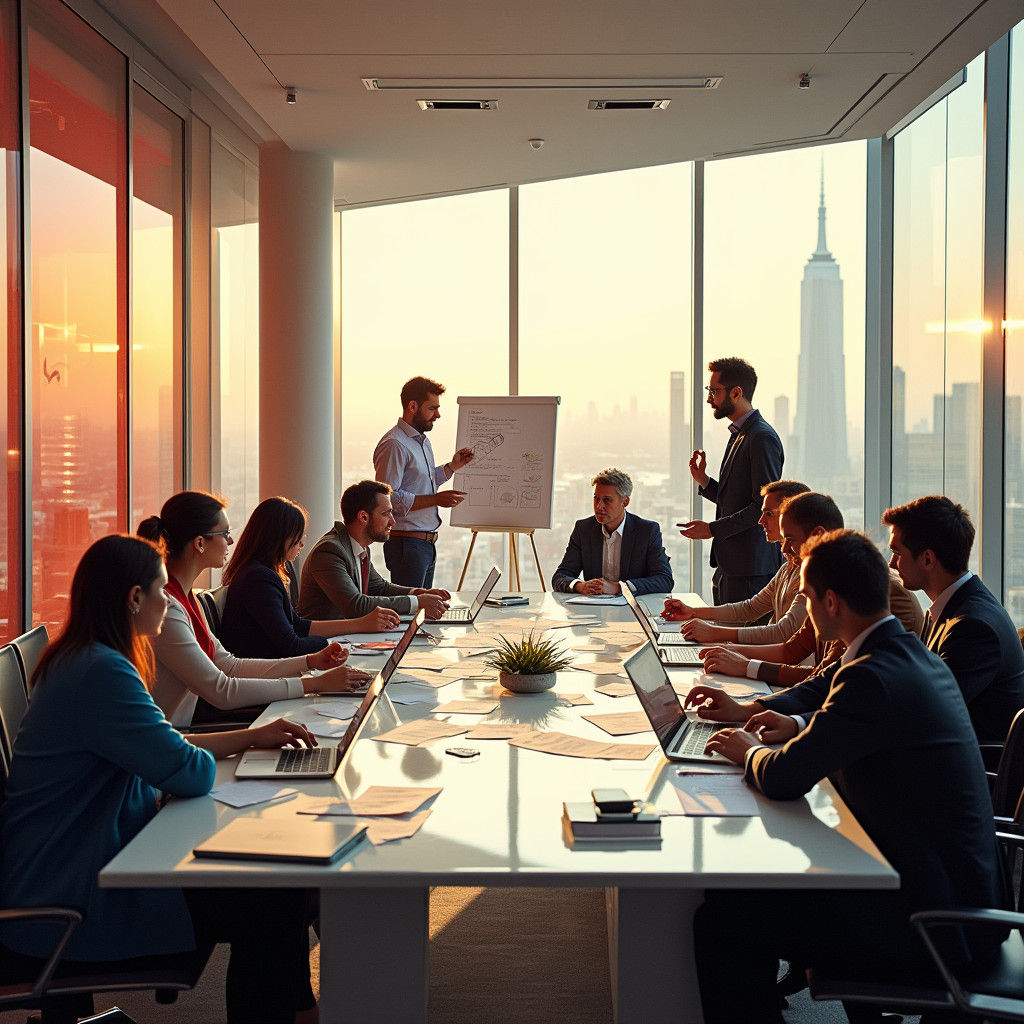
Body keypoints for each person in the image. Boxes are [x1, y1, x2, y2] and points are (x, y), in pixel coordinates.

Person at [686, 530, 1008, 1024]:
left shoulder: (872, 673)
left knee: (724, 920)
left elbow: (783, 777)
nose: (805, 609)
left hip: (928, 923)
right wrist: (789, 725)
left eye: (807, 599)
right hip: (954, 895)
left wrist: (748, 751)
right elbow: (841, 719)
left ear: (830, 602)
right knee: (744, 896)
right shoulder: (901, 651)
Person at [0, 534, 321, 1024]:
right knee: (275, 898)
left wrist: (249, 738)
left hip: (80, 864)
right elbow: (186, 772)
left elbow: (164, 742)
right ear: (134, 599)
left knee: (278, 889)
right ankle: (299, 1012)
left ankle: (301, 1011)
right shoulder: (101, 672)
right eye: (160, 591)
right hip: (79, 900)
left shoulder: (81, 657)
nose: (168, 600)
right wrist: (235, 745)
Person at [139, 491, 369, 728]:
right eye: (225, 534)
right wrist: (314, 684)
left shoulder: (188, 599)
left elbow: (230, 665)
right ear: (199, 543)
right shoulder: (167, 611)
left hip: (186, 730)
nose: (230, 541)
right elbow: (222, 690)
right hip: (179, 736)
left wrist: (311, 661)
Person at [696, 491, 923, 684]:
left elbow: (825, 678)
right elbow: (792, 649)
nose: (785, 548)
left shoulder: (869, 586)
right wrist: (726, 652)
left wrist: (744, 666)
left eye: (790, 540)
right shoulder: (824, 578)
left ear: (817, 535)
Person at [884, 495, 1024, 745]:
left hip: (972, 770)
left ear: (928, 559)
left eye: (897, 552)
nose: (891, 563)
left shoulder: (974, 626)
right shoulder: (949, 609)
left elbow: (927, 708)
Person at [220, 495, 401, 658]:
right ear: (278, 536)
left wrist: (360, 625)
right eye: (298, 535)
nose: (302, 543)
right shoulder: (258, 579)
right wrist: (343, 644)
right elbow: (291, 645)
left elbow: (298, 625)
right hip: (264, 679)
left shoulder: (263, 572)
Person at [679, 357, 784, 605]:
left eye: (714, 391)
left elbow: (762, 506)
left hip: (750, 569)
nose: (708, 399)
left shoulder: (760, 437)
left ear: (736, 393)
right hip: (733, 565)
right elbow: (737, 498)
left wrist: (712, 529)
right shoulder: (741, 434)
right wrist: (704, 481)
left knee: (736, 639)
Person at [662, 479, 809, 643]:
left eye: (769, 514)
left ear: (789, 517)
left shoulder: (810, 574)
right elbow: (750, 608)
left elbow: (783, 633)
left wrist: (715, 633)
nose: (760, 521)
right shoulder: (787, 568)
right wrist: (693, 611)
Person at [299, 480, 451, 621]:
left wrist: (418, 593)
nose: (393, 521)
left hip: (347, 638)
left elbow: (379, 587)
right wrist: (417, 602)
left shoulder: (358, 546)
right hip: (326, 644)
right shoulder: (329, 551)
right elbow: (355, 606)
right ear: (363, 517)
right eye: (386, 514)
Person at [373, 375, 474, 587]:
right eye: (432, 408)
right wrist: (436, 500)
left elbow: (421, 483)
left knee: (423, 611)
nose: (438, 414)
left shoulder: (421, 442)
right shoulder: (395, 445)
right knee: (411, 611)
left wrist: (452, 467)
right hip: (407, 545)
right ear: (412, 406)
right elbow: (388, 499)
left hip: (423, 544)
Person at [552, 468, 673, 596]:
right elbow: (560, 576)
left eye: (607, 500)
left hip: (633, 610)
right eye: (596, 498)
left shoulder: (647, 531)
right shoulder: (583, 529)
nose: (599, 506)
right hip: (593, 610)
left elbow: (664, 580)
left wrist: (620, 588)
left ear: (625, 502)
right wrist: (580, 586)